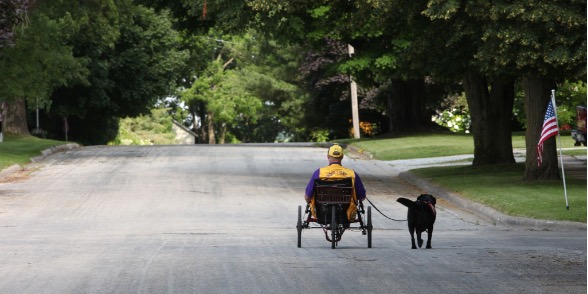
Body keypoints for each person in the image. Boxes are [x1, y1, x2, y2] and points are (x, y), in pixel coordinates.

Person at [304, 143, 366, 221]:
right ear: (342, 157)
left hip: (323, 212)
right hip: (345, 213)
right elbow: (362, 196)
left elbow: (308, 195)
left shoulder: (319, 172)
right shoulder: (352, 174)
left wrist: (308, 200)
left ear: (327, 156)